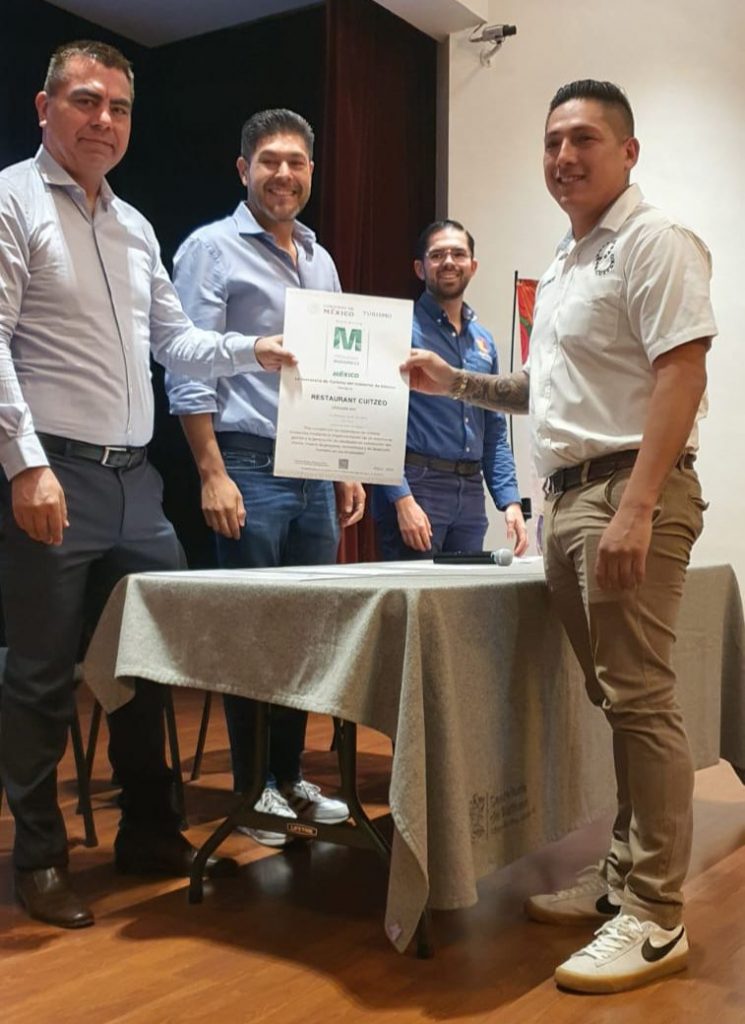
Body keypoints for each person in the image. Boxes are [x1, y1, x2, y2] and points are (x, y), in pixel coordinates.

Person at [402, 80, 715, 994]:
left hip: (626, 490)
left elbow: (682, 371)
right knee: (616, 700)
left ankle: (654, 915)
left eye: (583, 139)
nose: (563, 157)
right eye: (551, 142)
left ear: (627, 151)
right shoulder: (570, 260)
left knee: (641, 701)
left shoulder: (653, 240)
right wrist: (454, 383)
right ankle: (621, 878)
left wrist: (637, 506)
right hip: (571, 499)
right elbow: (543, 391)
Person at [0, 40, 296, 929]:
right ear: (45, 108)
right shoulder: (12, 200)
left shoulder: (133, 225)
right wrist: (26, 464)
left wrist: (253, 349)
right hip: (53, 472)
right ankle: (40, 858)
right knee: (42, 678)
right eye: (86, 101)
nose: (104, 120)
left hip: (134, 481)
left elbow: (176, 339)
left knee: (148, 664)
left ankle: (150, 832)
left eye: (120, 107)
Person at [167, 109, 364, 847]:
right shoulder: (210, 249)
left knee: (306, 633)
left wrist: (344, 462)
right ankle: (253, 790)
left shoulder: (320, 259)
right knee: (255, 633)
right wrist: (211, 472)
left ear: (311, 171)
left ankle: (289, 776)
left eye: (297, 162)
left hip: (313, 465)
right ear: (243, 168)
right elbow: (186, 365)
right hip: (246, 463)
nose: (284, 173)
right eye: (270, 160)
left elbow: (335, 369)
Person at [372, 219, 527, 558]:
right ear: (420, 268)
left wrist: (510, 501)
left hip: (470, 495)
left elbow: (494, 430)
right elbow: (377, 422)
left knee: (465, 591)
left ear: (473, 266)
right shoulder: (399, 330)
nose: (448, 262)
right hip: (418, 486)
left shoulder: (483, 341)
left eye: (458, 254)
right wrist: (401, 498)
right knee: (415, 593)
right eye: (437, 255)